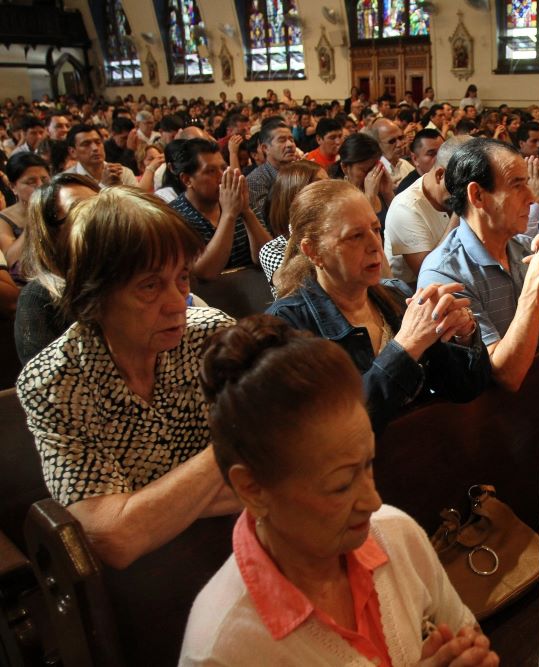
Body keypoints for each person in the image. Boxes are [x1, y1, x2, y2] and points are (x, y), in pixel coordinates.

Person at [179, 315, 499, 666]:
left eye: (368, 465)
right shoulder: (222, 648)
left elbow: (466, 634)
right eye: (341, 485)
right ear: (253, 489)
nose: (374, 501)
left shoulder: (395, 533)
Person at [16, 187, 239, 569]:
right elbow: (111, 538)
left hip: (236, 551)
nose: (176, 302)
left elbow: (283, 470)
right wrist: (230, 452)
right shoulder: (55, 383)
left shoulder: (212, 337)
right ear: (95, 295)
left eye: (182, 277)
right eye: (150, 285)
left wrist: (145, 508)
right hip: (140, 589)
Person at [267, 180, 490, 435]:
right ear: (313, 250)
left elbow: (467, 389)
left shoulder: (395, 296)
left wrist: (464, 337)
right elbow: (334, 431)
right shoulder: (286, 326)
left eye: (376, 229)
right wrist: (405, 348)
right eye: (355, 236)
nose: (375, 245)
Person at [417, 138, 539, 392]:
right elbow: (507, 375)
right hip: (489, 420)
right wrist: (536, 281)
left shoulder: (524, 247)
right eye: (517, 185)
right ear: (477, 195)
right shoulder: (445, 272)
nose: (532, 197)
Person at [14, 173, 99, 364]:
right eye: (81, 210)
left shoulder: (125, 276)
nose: (100, 216)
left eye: (102, 205)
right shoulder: (37, 297)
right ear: (51, 231)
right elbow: (41, 384)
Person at [169, 138, 272, 280]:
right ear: (187, 179)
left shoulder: (234, 199)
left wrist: (246, 211)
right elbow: (205, 274)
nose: (222, 176)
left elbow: (267, 258)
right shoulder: (174, 217)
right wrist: (229, 215)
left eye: (223, 168)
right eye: (210, 171)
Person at [383, 136, 466, 285]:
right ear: (440, 175)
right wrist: (460, 210)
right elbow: (431, 275)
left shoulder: (453, 193)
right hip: (415, 296)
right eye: (463, 184)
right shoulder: (406, 208)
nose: (469, 190)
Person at [258, 160, 327, 292]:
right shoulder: (273, 249)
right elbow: (295, 287)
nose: (329, 192)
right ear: (294, 197)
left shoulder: (336, 232)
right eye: (319, 186)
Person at [0, 152, 49, 280]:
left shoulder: (60, 208)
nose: (40, 186)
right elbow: (11, 260)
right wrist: (34, 217)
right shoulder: (4, 219)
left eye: (44, 179)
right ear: (13, 187)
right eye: (31, 182)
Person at [246, 119, 297, 226]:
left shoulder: (298, 171)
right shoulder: (256, 179)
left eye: (291, 139)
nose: (289, 145)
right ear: (265, 148)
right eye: (282, 140)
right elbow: (265, 221)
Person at [335, 133, 395, 222]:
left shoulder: (381, 190)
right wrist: (370, 196)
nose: (370, 175)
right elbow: (363, 231)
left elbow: (400, 224)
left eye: (373, 168)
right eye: (364, 170)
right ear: (345, 168)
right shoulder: (339, 199)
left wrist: (388, 193)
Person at [64, 123, 139, 188]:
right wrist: (104, 186)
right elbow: (81, 204)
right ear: (73, 152)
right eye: (86, 144)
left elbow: (137, 203)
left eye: (98, 142)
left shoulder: (123, 173)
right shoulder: (67, 181)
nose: (95, 148)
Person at [368, 118, 415, 188]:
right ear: (377, 145)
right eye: (392, 141)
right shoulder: (374, 175)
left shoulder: (404, 164)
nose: (399, 144)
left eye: (400, 138)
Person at [396, 128, 443, 194]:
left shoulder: (447, 177)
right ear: (415, 159)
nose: (439, 158)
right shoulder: (407, 190)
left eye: (442, 152)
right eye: (431, 154)